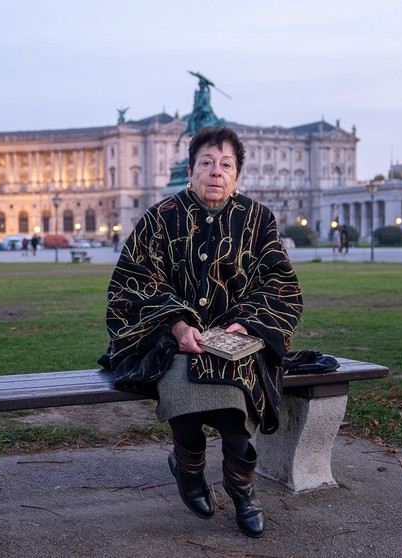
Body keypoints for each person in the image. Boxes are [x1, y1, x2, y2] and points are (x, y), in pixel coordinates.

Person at [98, 126, 302, 538]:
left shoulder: (258, 219)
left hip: (240, 339)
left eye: (226, 165)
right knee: (182, 380)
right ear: (191, 170)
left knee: (235, 402)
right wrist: (175, 323)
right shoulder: (160, 218)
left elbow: (280, 283)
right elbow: (132, 282)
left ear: (237, 175)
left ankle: (240, 486)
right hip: (172, 338)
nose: (216, 172)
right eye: (207, 163)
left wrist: (245, 323)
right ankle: (189, 467)